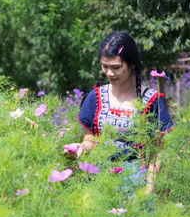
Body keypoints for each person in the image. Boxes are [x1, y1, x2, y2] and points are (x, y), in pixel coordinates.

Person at [64, 31, 173, 194]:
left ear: (132, 64)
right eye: (104, 66)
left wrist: (149, 188)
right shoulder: (96, 97)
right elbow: (90, 140)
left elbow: (157, 152)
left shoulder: (151, 100)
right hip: (99, 180)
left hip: (136, 182)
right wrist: (79, 147)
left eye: (115, 67)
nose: (109, 73)